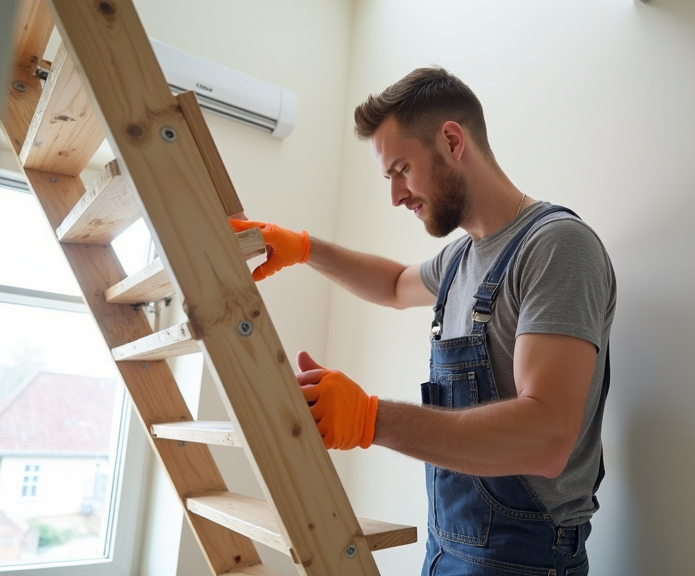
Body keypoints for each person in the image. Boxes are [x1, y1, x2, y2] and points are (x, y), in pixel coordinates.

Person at [232, 67, 616, 576]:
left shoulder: (556, 247)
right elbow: (394, 284)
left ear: (452, 141)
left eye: (401, 169)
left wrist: (370, 418)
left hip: (523, 560)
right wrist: (304, 248)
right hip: (445, 545)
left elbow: (547, 438)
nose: (395, 196)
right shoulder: (460, 260)